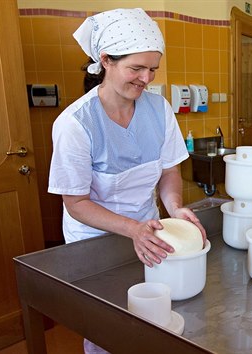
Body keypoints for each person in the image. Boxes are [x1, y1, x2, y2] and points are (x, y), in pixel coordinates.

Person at [48, 8, 206, 353]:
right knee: (107, 324)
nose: (146, 78)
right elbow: (75, 203)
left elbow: (168, 171)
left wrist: (175, 208)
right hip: (94, 241)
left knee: (152, 315)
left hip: (147, 231)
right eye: (136, 68)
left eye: (153, 69)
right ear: (106, 60)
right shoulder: (75, 124)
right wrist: (132, 229)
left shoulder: (158, 109)